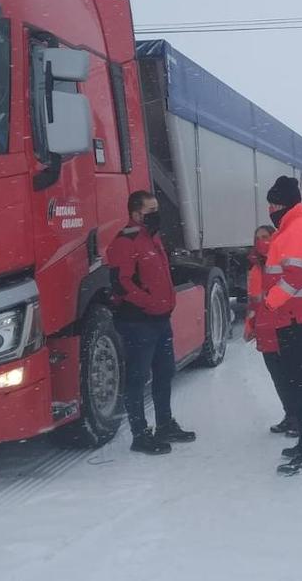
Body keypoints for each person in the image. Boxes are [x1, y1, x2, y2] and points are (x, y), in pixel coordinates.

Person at [106, 190, 197, 455]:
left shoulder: (151, 237)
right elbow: (120, 283)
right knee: (137, 378)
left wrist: (163, 304)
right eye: (150, 211)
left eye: (157, 209)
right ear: (135, 214)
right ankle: (140, 434)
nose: (157, 215)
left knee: (164, 372)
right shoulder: (126, 241)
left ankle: (165, 424)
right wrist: (148, 302)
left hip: (159, 320)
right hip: (138, 322)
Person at [260, 176, 302, 475]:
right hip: (295, 317)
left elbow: (296, 277)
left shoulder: (296, 229)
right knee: (299, 385)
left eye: (274, 204)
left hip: (297, 318)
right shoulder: (291, 227)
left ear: (285, 203)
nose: (270, 210)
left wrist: (270, 302)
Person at [244, 224, 298, 437]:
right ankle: (290, 415)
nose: (262, 241)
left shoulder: (283, 265)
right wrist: (250, 325)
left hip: (283, 327)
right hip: (265, 329)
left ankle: (298, 418)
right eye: (258, 238)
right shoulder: (256, 268)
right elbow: (253, 302)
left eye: (266, 236)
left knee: (291, 376)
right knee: (278, 377)